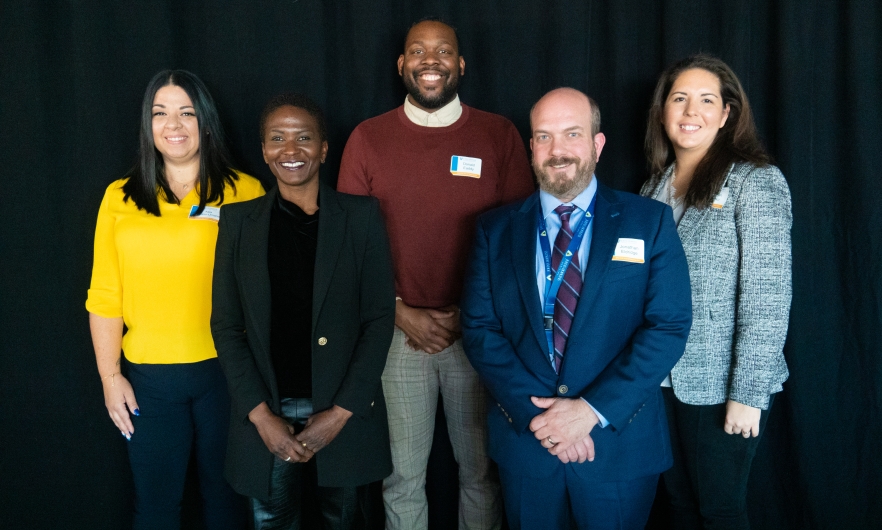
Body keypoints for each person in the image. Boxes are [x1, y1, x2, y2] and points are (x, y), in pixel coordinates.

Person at [460, 87, 693, 530]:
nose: (557, 150)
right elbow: (479, 330)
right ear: (530, 147)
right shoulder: (495, 229)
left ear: (597, 144)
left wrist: (589, 412)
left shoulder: (649, 221)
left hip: (616, 443)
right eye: (544, 137)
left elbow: (668, 325)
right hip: (530, 445)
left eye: (572, 134)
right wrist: (542, 421)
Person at [336, 18, 535, 530]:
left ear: (461, 65)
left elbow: (518, 241)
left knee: (481, 473)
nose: (431, 61)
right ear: (401, 65)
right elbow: (347, 250)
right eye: (418, 52)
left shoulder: (498, 135)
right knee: (402, 478)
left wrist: (471, 315)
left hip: (480, 336)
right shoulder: (367, 138)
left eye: (443, 51)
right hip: (398, 334)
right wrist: (400, 313)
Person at [86, 69, 264, 530]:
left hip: (227, 376)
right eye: (160, 113)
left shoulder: (245, 192)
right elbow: (106, 294)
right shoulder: (119, 198)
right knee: (157, 508)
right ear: (148, 125)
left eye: (186, 112)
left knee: (226, 505)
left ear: (205, 122)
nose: (174, 124)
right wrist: (109, 376)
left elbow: (267, 289)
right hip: (149, 383)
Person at [211, 93, 396, 530]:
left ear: (324, 148)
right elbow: (226, 326)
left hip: (342, 413)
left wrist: (341, 413)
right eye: (277, 138)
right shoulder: (238, 224)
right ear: (263, 151)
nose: (290, 151)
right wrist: (261, 418)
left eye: (303, 138)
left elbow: (378, 320)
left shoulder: (362, 217)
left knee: (345, 522)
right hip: (266, 416)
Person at [640, 54, 792, 529]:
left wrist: (748, 393)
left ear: (727, 114)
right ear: (663, 111)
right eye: (679, 98)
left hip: (721, 386)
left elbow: (767, 297)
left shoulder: (754, 181)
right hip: (659, 381)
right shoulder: (652, 188)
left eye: (707, 100)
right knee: (680, 507)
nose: (691, 111)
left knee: (720, 511)